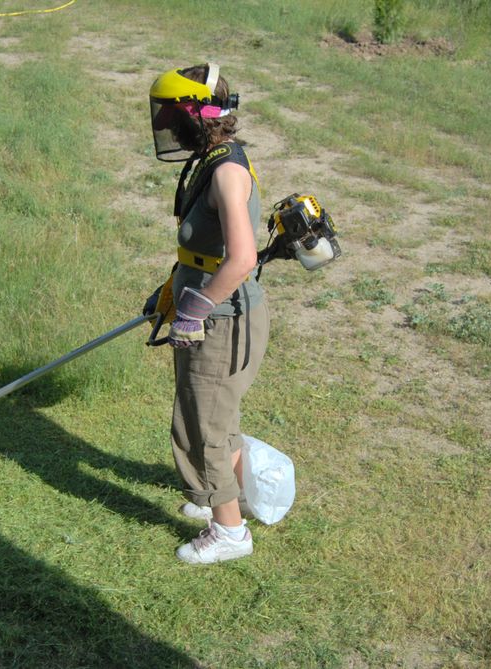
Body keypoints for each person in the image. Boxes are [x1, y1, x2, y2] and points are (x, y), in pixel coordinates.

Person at [145, 64, 269, 564]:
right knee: (198, 416)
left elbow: (242, 258)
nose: (166, 125)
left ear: (197, 113)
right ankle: (215, 499)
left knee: (210, 429)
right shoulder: (209, 159)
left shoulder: (226, 172)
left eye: (173, 113)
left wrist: (194, 309)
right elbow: (203, 253)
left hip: (222, 323)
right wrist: (171, 291)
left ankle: (230, 533)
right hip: (207, 314)